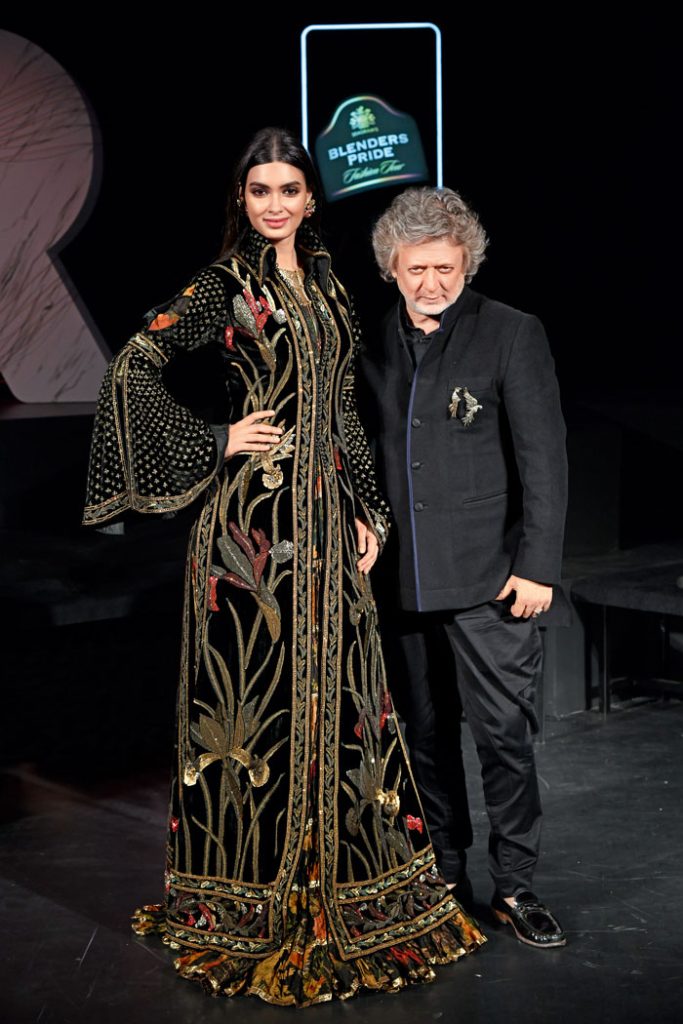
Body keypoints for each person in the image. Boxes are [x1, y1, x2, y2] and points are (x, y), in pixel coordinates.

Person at [83, 131, 484, 1006]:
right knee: (255, 712)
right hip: (251, 533)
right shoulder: (223, 285)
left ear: (309, 199)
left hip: (329, 531)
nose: (273, 203)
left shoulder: (331, 283)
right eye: (259, 189)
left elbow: (344, 413)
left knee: (340, 703)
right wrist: (214, 439)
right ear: (242, 197)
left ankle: (345, 887)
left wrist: (369, 511)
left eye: (288, 189)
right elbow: (132, 365)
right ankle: (252, 900)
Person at [364, 186, 568, 949]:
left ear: (466, 263)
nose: (431, 283)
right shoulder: (369, 340)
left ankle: (514, 886)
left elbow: (543, 460)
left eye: (444, 268)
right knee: (422, 737)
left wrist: (537, 567)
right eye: (416, 268)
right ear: (391, 266)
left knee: (503, 740)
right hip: (399, 582)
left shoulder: (510, 332)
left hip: (490, 581)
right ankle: (443, 876)